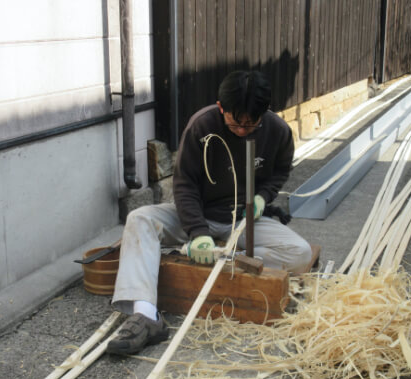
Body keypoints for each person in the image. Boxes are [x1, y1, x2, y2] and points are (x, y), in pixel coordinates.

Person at [106, 70, 312, 356]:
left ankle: (227, 257)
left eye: (251, 124)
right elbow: (184, 185)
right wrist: (198, 233)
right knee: (140, 219)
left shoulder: (277, 131)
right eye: (235, 122)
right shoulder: (201, 126)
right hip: (198, 213)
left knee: (299, 253)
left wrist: (263, 198)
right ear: (221, 107)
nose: (242, 130)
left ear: (264, 113)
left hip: (242, 219)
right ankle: (145, 314)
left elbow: (280, 171)